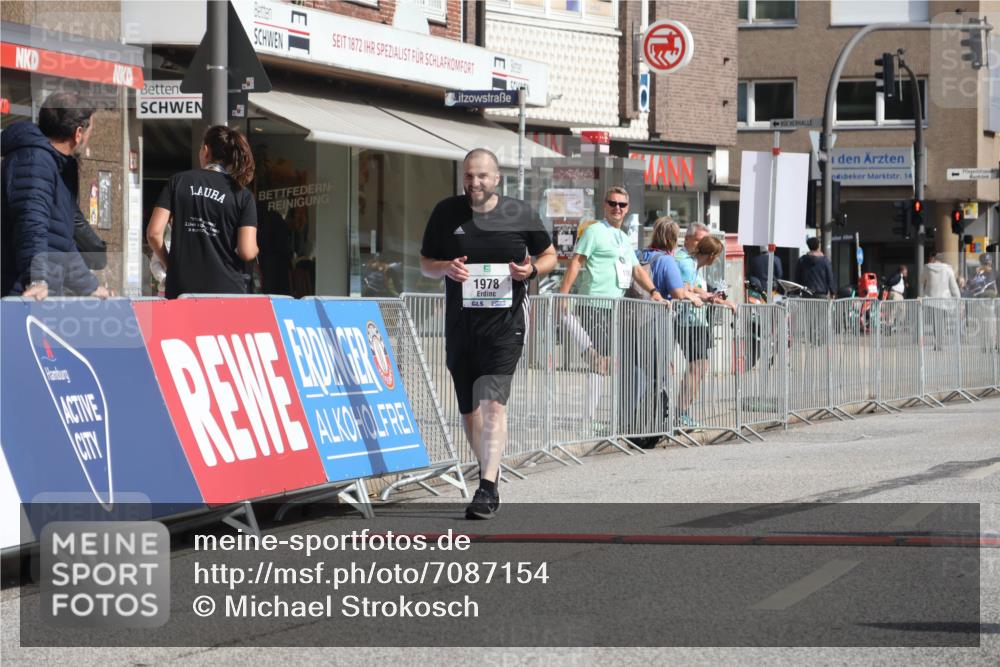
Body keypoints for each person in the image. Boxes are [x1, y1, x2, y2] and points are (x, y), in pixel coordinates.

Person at [420, 148, 557, 520]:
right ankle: (487, 472)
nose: (474, 183)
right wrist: (446, 268)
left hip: (505, 325)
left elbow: (549, 255)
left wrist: (530, 273)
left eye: (481, 176)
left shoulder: (519, 213)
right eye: (468, 176)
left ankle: (487, 486)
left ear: (497, 179)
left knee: (493, 403)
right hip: (461, 324)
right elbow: (426, 264)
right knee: (468, 408)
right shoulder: (446, 212)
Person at [558, 186, 663, 424]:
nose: (617, 208)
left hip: (617, 309)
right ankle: (587, 420)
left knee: (611, 361)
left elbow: (636, 270)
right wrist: (563, 295)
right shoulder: (594, 231)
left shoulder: (624, 238)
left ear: (627, 209)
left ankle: (609, 419)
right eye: (612, 203)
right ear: (605, 205)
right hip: (595, 304)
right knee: (601, 361)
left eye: (622, 205)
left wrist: (654, 291)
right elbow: (576, 262)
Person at [1, 91, 109, 300]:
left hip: (38, 291)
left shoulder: (59, 164)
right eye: (90, 130)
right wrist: (38, 279)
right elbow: (31, 224)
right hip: (19, 291)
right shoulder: (34, 161)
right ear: (78, 133)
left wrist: (87, 286)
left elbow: (60, 237)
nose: (89, 138)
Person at [147, 125, 259, 299]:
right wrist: (256, 248)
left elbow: (154, 233)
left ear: (206, 150)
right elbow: (247, 251)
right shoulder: (242, 195)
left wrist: (172, 265)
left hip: (182, 288)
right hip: (226, 291)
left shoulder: (178, 181)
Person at [674, 234, 734, 428]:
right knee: (697, 367)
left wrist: (714, 298)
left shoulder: (693, 265)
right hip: (688, 321)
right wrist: (699, 296)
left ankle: (681, 412)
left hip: (695, 321)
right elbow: (684, 289)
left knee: (700, 367)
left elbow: (693, 288)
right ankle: (680, 413)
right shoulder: (689, 264)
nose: (716, 259)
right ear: (711, 255)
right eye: (716, 256)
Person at [921, 251, 961, 351]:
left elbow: (921, 280)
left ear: (934, 258)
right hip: (944, 299)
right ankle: (940, 343)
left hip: (931, 299)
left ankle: (937, 343)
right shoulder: (948, 269)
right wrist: (958, 297)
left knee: (934, 322)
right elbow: (953, 285)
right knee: (942, 322)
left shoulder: (927, 268)